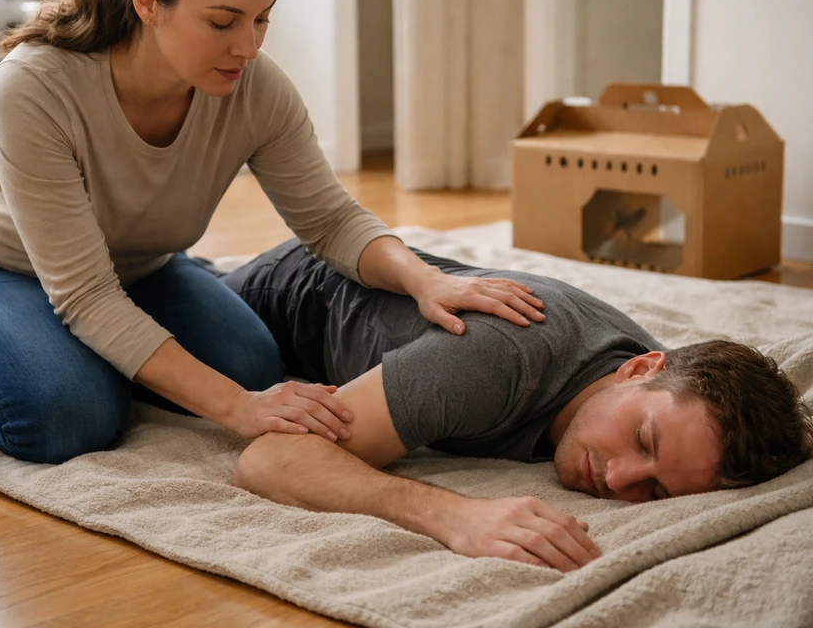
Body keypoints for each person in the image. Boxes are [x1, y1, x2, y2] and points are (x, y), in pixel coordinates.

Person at [0, 0, 546, 465]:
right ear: (147, 0)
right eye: (222, 22)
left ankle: (98, 354)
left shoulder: (255, 88)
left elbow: (329, 220)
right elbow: (84, 294)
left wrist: (425, 280)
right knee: (68, 417)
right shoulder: (35, 84)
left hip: (140, 269)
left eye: (261, 18)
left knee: (253, 365)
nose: (248, 46)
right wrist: (236, 410)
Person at [222, 239, 813, 572]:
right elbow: (270, 460)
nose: (618, 477)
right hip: (292, 295)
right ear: (640, 368)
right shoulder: (495, 359)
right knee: (165, 331)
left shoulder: (666, 388)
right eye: (643, 442)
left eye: (654, 491)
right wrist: (456, 516)